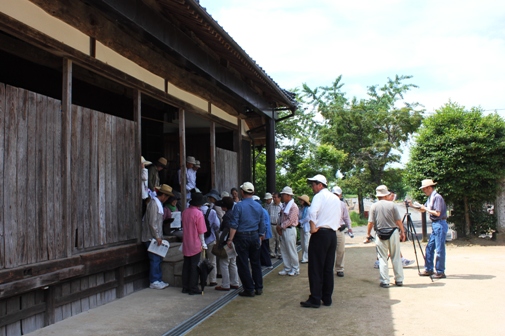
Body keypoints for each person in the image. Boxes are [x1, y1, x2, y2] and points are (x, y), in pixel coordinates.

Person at [300, 174, 340, 308]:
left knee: (316, 267)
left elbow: (312, 212)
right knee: (328, 267)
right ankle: (327, 297)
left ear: (320, 185)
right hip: (332, 233)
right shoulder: (335, 198)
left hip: (320, 232)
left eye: (313, 184)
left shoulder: (319, 196)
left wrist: (312, 227)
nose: (312, 187)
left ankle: (315, 298)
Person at [227, 182, 266, 297]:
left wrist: (230, 239)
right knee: (256, 263)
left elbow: (234, 224)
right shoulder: (259, 206)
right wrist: (260, 236)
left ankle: (249, 289)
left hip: (241, 237)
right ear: (252, 192)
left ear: (242, 192)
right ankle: (259, 287)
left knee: (243, 263)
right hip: (255, 236)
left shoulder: (238, 206)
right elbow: (262, 223)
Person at [367, 185, 406, 288]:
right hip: (393, 232)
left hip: (380, 233)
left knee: (382, 258)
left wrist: (368, 234)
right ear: (386, 194)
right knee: (396, 256)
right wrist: (402, 231)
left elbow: (370, 222)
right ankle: (399, 279)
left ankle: (385, 281)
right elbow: (398, 220)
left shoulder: (374, 206)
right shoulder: (392, 205)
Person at [412, 179, 448, 279]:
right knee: (429, 247)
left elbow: (437, 213)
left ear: (429, 188)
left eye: (424, 189)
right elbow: (423, 209)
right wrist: (412, 206)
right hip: (436, 224)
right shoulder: (431, 198)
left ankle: (440, 271)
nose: (424, 191)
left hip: (439, 223)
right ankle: (429, 269)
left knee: (439, 249)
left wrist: (425, 208)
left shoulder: (437, 198)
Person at [141, 184, 173, 289]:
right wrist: (157, 236)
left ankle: (158, 279)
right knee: (154, 259)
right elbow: (152, 222)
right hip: (151, 236)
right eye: (167, 196)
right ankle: (154, 280)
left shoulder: (156, 203)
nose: (167, 199)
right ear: (163, 195)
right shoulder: (154, 204)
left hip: (155, 236)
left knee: (158, 258)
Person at [181, 192, 207, 295]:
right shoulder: (198, 213)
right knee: (194, 266)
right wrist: (203, 243)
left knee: (186, 265)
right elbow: (201, 231)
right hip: (195, 242)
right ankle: (193, 287)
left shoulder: (185, 212)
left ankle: (185, 286)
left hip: (186, 242)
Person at [214, 197, 240, 291]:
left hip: (227, 241)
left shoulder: (227, 216)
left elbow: (225, 230)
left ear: (224, 206)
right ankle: (235, 282)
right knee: (233, 262)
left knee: (224, 263)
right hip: (234, 240)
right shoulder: (234, 213)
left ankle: (225, 284)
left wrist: (221, 242)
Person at [277, 186, 300, 276]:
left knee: (291, 250)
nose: (282, 196)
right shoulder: (284, 205)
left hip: (289, 229)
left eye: (283, 195)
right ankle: (287, 267)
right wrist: (279, 226)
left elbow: (290, 220)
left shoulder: (294, 207)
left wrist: (280, 226)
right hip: (284, 229)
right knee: (284, 250)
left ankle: (295, 268)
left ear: (288, 195)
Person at [331, 186, 352, 277]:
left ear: (340, 195)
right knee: (330, 251)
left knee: (340, 250)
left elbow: (346, 217)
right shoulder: (328, 204)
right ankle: (329, 268)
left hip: (339, 229)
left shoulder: (342, 204)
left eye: (337, 194)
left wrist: (349, 227)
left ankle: (339, 268)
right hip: (330, 230)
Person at [199, 200, 220, 287]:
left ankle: (203, 280)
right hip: (210, 238)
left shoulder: (198, 211)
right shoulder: (212, 212)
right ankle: (213, 280)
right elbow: (217, 225)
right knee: (212, 261)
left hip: (200, 240)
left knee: (201, 261)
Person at [253, 196, 273, 269]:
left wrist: (263, 233)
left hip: (264, 233)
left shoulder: (261, 211)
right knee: (262, 249)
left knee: (264, 249)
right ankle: (264, 263)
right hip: (264, 232)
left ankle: (268, 263)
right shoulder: (262, 210)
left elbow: (264, 223)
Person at [266, 192, 282, 258]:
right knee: (271, 240)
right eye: (273, 197)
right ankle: (272, 253)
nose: (274, 199)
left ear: (279, 198)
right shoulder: (270, 206)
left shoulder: (282, 206)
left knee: (279, 240)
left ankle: (280, 253)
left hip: (278, 225)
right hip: (271, 224)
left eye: (275, 197)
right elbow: (268, 213)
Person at [297, 195, 311, 263]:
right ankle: (304, 257)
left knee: (306, 243)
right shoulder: (300, 209)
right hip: (302, 227)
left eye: (302, 200)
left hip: (307, 228)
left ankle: (307, 257)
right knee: (302, 243)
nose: (300, 201)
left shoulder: (308, 209)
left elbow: (308, 218)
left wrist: (300, 221)